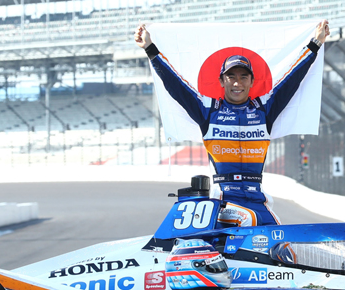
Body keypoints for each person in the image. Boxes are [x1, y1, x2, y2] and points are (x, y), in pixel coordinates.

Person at [135, 21, 330, 226]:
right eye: (231, 77)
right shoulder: (208, 110)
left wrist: (315, 43)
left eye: (243, 77)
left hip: (257, 199)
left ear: (252, 81)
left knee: (280, 241)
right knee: (240, 230)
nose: (237, 83)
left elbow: (292, 79)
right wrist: (150, 49)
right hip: (222, 202)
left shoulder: (264, 109)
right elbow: (176, 85)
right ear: (222, 81)